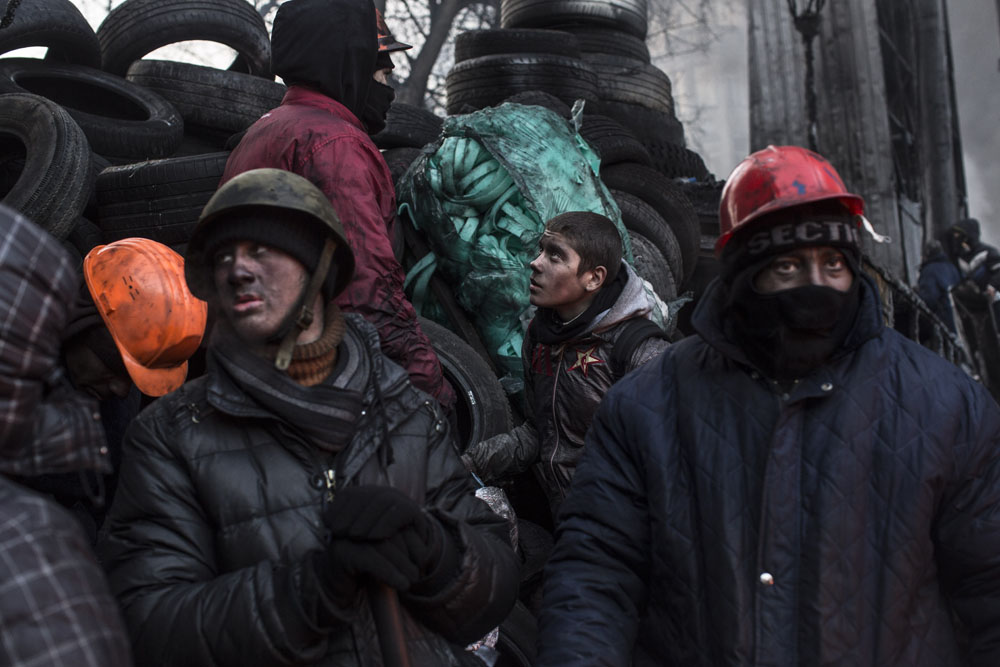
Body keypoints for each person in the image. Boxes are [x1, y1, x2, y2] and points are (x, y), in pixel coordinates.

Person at [535, 145, 1000, 666]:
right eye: (787, 266)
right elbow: (596, 574)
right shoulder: (649, 405)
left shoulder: (944, 405)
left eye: (833, 264)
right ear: (742, 277)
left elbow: (991, 584)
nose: (816, 284)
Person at [97, 168, 519, 666]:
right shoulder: (173, 433)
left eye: (260, 250)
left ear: (320, 266)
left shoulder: (404, 410)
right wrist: (309, 588)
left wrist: (437, 554)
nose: (237, 270)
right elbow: (147, 623)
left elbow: (492, 585)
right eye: (224, 258)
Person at [222, 0, 455, 412]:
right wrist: (430, 387)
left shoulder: (263, 130)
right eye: (380, 68)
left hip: (249, 363)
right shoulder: (335, 145)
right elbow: (367, 291)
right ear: (348, 62)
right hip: (315, 379)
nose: (389, 84)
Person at [461, 211, 669, 524]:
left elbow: (670, 465)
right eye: (541, 249)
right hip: (570, 523)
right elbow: (542, 433)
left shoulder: (640, 353)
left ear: (594, 278)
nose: (536, 262)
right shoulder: (541, 336)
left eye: (555, 255)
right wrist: (466, 465)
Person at [0, 204, 132, 666]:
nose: (119, 387)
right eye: (114, 368)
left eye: (131, 379)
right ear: (78, 324)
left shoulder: (115, 400)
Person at [916, 238, 961, 332]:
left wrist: (916, 293)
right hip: (958, 322)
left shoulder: (929, 271)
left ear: (927, 254)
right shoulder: (952, 268)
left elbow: (928, 298)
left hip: (943, 324)